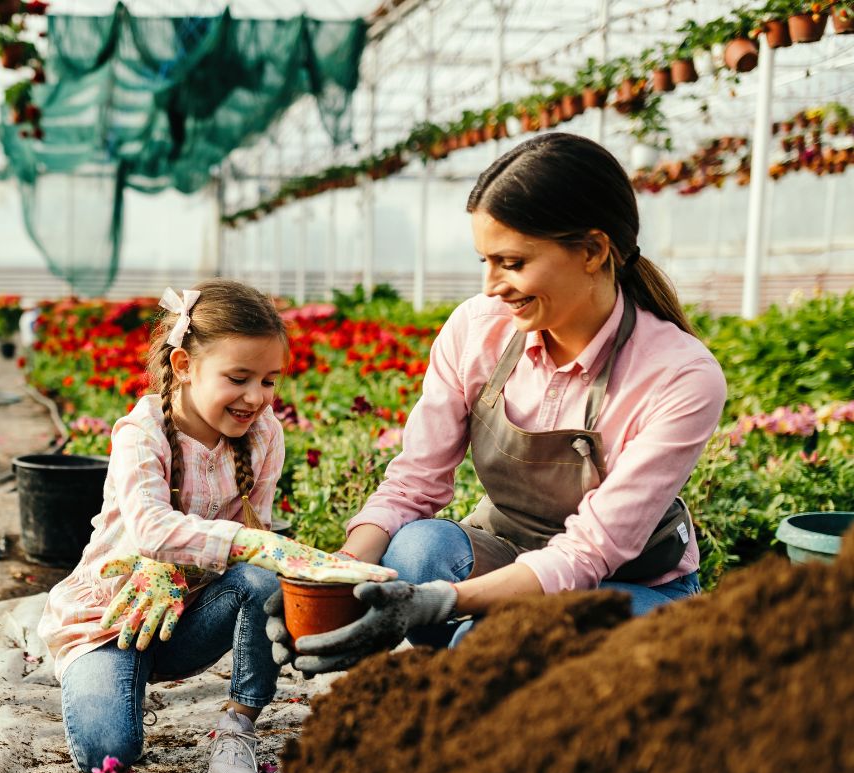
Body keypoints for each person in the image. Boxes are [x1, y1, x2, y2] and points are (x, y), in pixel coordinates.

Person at [267, 132, 728, 675]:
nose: (491, 287)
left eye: (511, 263)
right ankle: (473, 676)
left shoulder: (679, 374)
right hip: (507, 549)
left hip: (626, 585)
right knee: (416, 552)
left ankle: (485, 682)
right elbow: (415, 483)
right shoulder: (478, 329)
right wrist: (337, 576)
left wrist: (443, 603)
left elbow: (589, 551)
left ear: (593, 251)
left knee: (496, 640)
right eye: (485, 260)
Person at [37, 279, 391, 773]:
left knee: (262, 578)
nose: (257, 398)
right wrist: (252, 545)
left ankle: (237, 727)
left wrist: (266, 560)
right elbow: (153, 530)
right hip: (108, 619)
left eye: (269, 380)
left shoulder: (264, 434)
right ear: (183, 366)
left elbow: (254, 546)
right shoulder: (143, 434)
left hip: (189, 619)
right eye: (239, 377)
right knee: (109, 751)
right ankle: (102, 679)